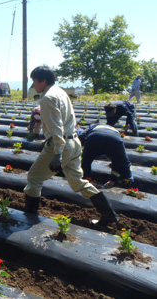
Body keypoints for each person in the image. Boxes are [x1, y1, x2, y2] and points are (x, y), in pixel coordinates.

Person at [23, 66, 118, 226]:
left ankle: (29, 218)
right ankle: (109, 215)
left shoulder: (48, 98)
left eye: (35, 81)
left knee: (34, 178)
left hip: (61, 145)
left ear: (43, 80)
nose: (34, 85)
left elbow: (57, 128)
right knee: (77, 181)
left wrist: (57, 154)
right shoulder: (60, 92)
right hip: (74, 142)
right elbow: (66, 121)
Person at [77, 124, 133, 188]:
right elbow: (117, 162)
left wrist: (81, 149)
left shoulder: (93, 126)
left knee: (86, 160)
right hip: (114, 140)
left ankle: (86, 180)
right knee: (122, 162)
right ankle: (126, 182)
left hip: (94, 138)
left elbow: (82, 136)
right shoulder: (113, 129)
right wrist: (113, 179)